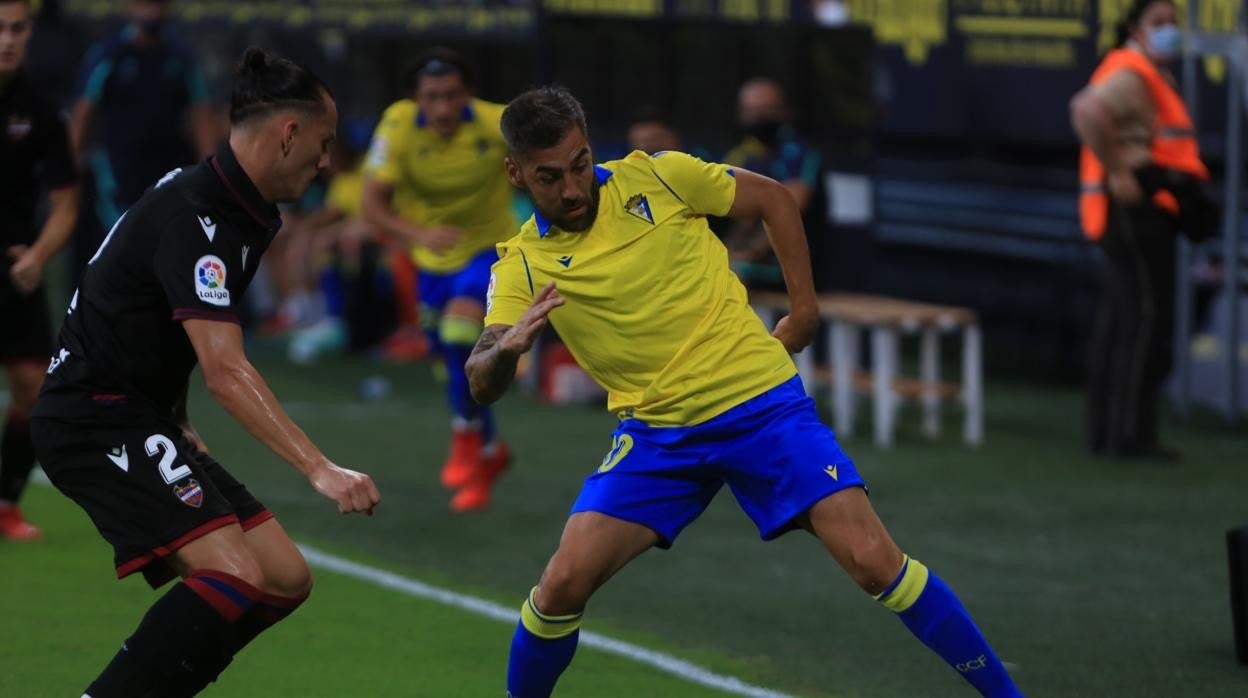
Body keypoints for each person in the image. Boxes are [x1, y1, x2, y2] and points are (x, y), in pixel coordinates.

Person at [468, 86, 1023, 698]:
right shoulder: (519, 266)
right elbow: (481, 376)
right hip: (658, 437)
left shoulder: (660, 177)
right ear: (515, 172)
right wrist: (505, 352)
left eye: (579, 164)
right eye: (549, 178)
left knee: (874, 564)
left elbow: (775, 199)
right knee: (561, 585)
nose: (572, 189)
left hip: (761, 405)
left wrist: (804, 310)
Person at [31, 47, 381, 697]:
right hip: (93, 414)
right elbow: (226, 369)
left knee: (282, 577)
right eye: (324, 142)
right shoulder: (199, 214)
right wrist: (319, 468)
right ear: (288, 133)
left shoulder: (237, 207)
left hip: (141, 410)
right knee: (233, 574)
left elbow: (152, 318)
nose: (327, 161)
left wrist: (176, 410)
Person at [361, 47, 515, 512]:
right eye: (433, 97)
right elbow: (372, 207)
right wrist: (421, 233)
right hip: (430, 260)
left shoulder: (499, 123)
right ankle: (489, 455)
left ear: (467, 93)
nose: (444, 108)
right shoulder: (397, 126)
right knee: (451, 362)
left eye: (452, 95)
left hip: (490, 250)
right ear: (415, 99)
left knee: (459, 335)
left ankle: (466, 440)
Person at [1070, 0, 1210, 460]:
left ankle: (1108, 432)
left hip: (1134, 209)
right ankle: (1129, 434)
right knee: (1148, 319)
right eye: (1159, 23)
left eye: (1174, 23)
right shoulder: (1132, 72)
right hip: (1136, 209)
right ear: (1135, 27)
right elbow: (1086, 110)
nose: (1170, 32)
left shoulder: (1142, 70)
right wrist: (1122, 172)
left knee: (1123, 319)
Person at [0, 0, 78, 539]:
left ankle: (5, 504)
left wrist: (38, 256)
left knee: (33, 386)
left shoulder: (43, 110)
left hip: (13, 269)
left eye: (17, 28)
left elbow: (67, 203)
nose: (7, 38)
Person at [68, 0, 216, 280]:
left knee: (168, 251)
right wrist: (69, 175)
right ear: (129, 7)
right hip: (117, 178)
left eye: (158, 5)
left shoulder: (181, 58)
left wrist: (209, 173)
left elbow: (202, 115)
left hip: (168, 175)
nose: (152, 12)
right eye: (145, 5)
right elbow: (83, 114)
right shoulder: (109, 56)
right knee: (119, 249)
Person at [722, 78, 822, 289]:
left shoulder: (798, 153)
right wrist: (729, 250)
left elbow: (788, 209)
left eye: (766, 110)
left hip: (798, 265)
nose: (758, 118)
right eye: (752, 111)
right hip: (748, 258)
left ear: (784, 111)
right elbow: (737, 215)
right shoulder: (741, 155)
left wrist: (750, 254)